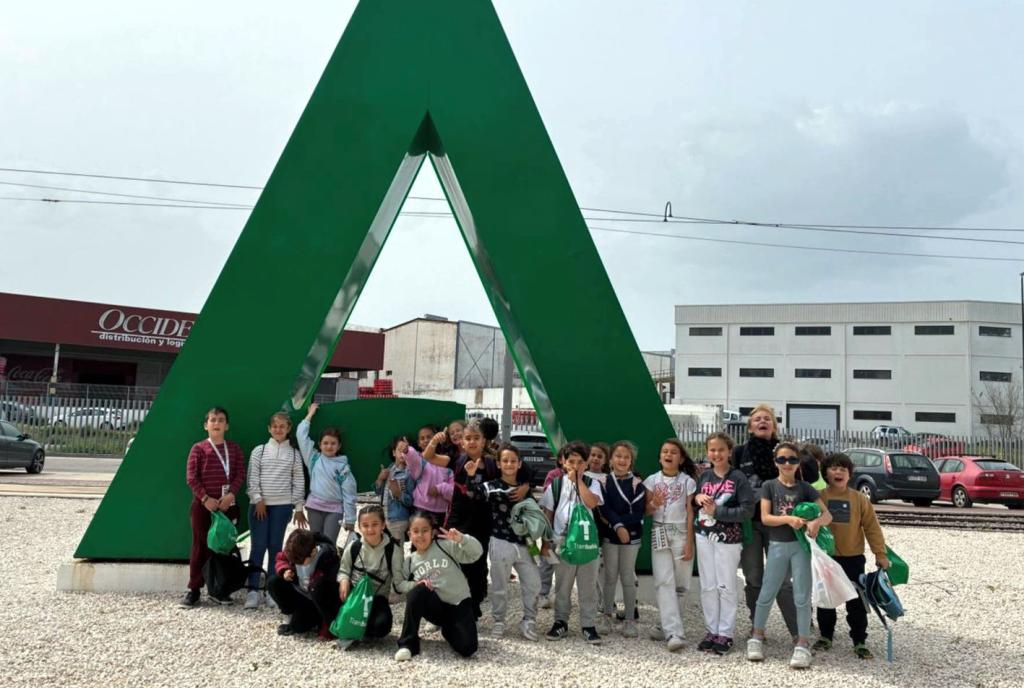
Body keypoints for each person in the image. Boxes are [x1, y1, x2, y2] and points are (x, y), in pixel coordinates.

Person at [747, 442, 832, 669]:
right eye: (782, 459)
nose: (787, 464)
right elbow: (765, 517)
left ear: (798, 463)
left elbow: (827, 515)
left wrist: (815, 522)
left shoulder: (805, 488)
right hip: (777, 545)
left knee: (802, 596)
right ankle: (756, 636)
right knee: (767, 592)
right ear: (776, 462)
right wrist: (788, 519)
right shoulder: (769, 486)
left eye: (792, 460)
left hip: (800, 547)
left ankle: (802, 643)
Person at [446, 420, 531, 619]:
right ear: (462, 442)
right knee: (456, 563)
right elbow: (429, 458)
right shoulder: (457, 461)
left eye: (477, 438)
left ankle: (474, 607)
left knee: (478, 564)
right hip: (460, 519)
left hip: (485, 521)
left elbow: (524, 469)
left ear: (484, 441)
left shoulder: (494, 462)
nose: (472, 442)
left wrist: (526, 485)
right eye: (468, 438)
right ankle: (451, 607)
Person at [731, 404, 799, 639]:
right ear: (750, 426)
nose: (762, 421)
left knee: (783, 579)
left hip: (779, 523)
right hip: (750, 524)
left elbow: (804, 478)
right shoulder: (739, 453)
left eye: (767, 419)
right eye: (757, 419)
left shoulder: (785, 453)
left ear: (774, 425)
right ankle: (756, 626)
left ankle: (798, 630)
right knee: (753, 577)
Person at [813, 452, 890, 660]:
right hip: (827, 559)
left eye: (843, 469)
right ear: (825, 473)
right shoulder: (818, 496)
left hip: (853, 558)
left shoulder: (859, 499)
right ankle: (826, 636)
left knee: (856, 602)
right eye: (834, 468)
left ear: (849, 474)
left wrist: (880, 553)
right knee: (826, 599)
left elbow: (872, 528)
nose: (838, 472)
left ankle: (859, 639)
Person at [465, 443, 542, 641]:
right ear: (498, 463)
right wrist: (471, 475)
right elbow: (472, 493)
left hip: (526, 543)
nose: (509, 464)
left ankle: (529, 620)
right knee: (499, 585)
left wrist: (527, 486)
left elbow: (534, 513)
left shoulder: (525, 488)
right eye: (505, 460)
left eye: (513, 461)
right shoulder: (492, 487)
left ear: (519, 464)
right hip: (500, 541)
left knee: (533, 583)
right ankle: (499, 621)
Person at [694, 432, 755, 655]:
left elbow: (748, 510)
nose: (716, 454)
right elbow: (697, 499)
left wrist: (718, 511)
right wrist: (697, 498)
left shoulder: (738, 478)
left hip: (728, 540)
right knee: (708, 585)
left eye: (721, 449)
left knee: (726, 586)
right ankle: (711, 630)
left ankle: (725, 633)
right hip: (703, 535)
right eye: (712, 450)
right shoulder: (705, 476)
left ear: (729, 451)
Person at [540, 441, 605, 644]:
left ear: (585, 464)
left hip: (586, 541)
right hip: (562, 539)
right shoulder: (556, 485)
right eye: (571, 461)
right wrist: (546, 540)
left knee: (588, 584)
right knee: (563, 584)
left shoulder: (592, 483)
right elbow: (548, 513)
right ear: (563, 462)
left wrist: (578, 481)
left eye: (579, 462)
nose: (575, 465)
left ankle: (588, 624)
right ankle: (560, 621)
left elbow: (592, 502)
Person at [394, 512, 482, 661]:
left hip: (459, 604)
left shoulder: (445, 546)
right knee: (417, 591)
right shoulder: (410, 561)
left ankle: (448, 629)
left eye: (425, 530)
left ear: (432, 532)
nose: (420, 535)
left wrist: (461, 539)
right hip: (436, 608)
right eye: (416, 531)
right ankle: (408, 644)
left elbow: (476, 553)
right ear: (409, 534)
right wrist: (415, 584)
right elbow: (398, 585)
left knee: (468, 649)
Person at [181, 406, 245, 608]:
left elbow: (240, 474)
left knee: (223, 549)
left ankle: (219, 590)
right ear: (205, 425)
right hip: (203, 507)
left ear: (227, 426)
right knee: (201, 546)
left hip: (228, 506)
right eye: (213, 420)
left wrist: (231, 495)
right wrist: (205, 498)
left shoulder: (234, 449)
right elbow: (191, 478)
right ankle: (194, 590)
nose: (217, 423)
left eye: (221, 420)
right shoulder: (198, 449)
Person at [244, 411, 307, 609]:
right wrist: (258, 499)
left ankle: (272, 589)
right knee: (258, 546)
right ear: (269, 428)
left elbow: (298, 480)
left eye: (282, 426)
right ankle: (253, 590)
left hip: (282, 507)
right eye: (275, 426)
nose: (278, 430)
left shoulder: (295, 454)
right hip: (260, 507)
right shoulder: (259, 451)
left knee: (276, 548)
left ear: (288, 429)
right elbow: (252, 477)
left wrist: (298, 507)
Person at [644, 438, 697, 651]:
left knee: (681, 584)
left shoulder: (688, 482)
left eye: (673, 452)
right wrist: (652, 505)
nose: (668, 455)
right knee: (663, 581)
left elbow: (691, 513)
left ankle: (667, 624)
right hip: (659, 531)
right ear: (659, 456)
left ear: (681, 458)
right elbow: (647, 512)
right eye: (665, 451)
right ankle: (674, 633)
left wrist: (689, 543)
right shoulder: (651, 480)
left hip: (681, 533)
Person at [336, 505, 406, 651]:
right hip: (354, 596)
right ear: (360, 527)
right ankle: (343, 625)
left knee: (382, 626)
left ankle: (357, 628)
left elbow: (399, 582)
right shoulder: (353, 547)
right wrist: (343, 581)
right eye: (365, 525)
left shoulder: (393, 550)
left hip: (376, 598)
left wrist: (415, 585)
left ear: (383, 525)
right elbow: (344, 570)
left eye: (374, 524)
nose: (370, 529)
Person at [597, 441, 646, 638]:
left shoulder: (637, 484)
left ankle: (629, 620)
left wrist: (623, 527)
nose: (622, 460)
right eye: (618, 456)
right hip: (611, 535)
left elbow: (638, 512)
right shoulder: (603, 482)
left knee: (627, 576)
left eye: (626, 457)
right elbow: (604, 508)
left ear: (631, 461)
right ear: (610, 460)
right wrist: (617, 526)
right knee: (609, 577)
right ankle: (607, 615)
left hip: (632, 537)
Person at [296, 402, 357, 547]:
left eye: (333, 443)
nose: (329, 446)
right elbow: (301, 435)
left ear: (339, 446)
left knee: (328, 544)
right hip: (314, 506)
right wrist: (310, 414)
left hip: (334, 510)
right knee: (315, 544)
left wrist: (350, 519)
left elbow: (350, 493)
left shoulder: (343, 467)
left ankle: (328, 570)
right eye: (325, 443)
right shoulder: (314, 459)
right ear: (319, 444)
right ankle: (316, 570)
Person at [268, 528, 341, 637]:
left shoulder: (329, 558)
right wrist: (285, 569)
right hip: (302, 593)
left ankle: (321, 621)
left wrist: (328, 629)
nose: (297, 564)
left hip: (318, 601)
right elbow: (281, 558)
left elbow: (333, 596)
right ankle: (289, 614)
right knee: (273, 582)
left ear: (313, 552)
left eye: (300, 562)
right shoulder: (295, 549)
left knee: (299, 626)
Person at [406, 430, 456, 525]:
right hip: (421, 508)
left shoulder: (447, 462)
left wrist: (440, 488)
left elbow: (453, 492)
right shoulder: (419, 460)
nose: (425, 440)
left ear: (437, 439)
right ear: (419, 443)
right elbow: (412, 458)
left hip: (442, 512)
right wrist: (407, 451)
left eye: (429, 437)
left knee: (438, 539)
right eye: (422, 438)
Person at [375, 435, 414, 544]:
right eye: (400, 450)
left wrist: (398, 494)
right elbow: (377, 492)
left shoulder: (409, 473)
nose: (403, 453)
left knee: (397, 551)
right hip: (384, 516)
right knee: (386, 548)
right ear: (393, 452)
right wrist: (379, 479)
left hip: (398, 518)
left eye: (406, 451)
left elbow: (411, 501)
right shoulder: (389, 469)